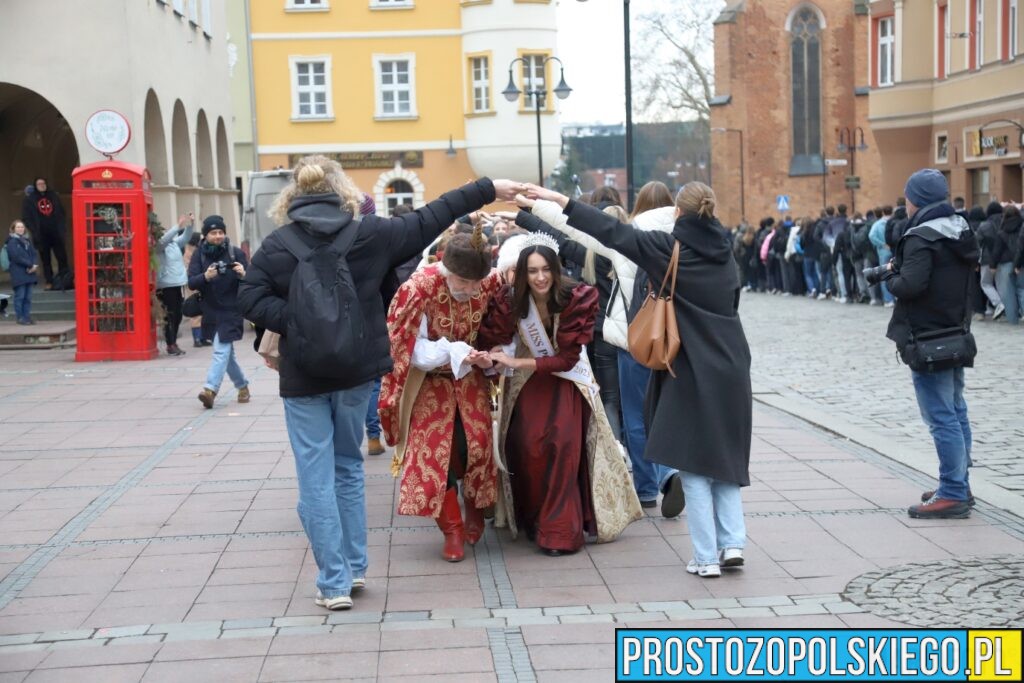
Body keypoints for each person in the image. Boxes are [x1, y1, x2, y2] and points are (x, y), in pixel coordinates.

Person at [238, 154, 523, 608]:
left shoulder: (277, 245)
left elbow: (248, 297)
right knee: (348, 469)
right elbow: (433, 216)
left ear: (293, 196)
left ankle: (333, 582)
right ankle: (354, 569)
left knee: (315, 480)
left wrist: (296, 321)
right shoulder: (370, 235)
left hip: (305, 377)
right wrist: (490, 188)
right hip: (355, 373)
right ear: (342, 190)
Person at [521, 181, 752, 578]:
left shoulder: (669, 249)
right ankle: (732, 543)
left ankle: (705, 557)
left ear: (678, 214)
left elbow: (611, 232)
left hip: (689, 367)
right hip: (732, 365)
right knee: (725, 460)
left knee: (693, 464)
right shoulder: (726, 254)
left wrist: (561, 201)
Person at [516, 181, 682, 514]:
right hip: (678, 341)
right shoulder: (685, 239)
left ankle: (648, 486)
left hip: (634, 339)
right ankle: (672, 471)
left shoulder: (631, 240)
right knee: (669, 411)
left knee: (635, 415)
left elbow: (574, 232)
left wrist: (530, 208)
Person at [477, 234, 641, 555]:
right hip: (526, 386)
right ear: (522, 273)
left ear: (556, 269)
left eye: (545, 270)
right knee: (527, 449)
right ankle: (536, 519)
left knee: (562, 449)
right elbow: (494, 338)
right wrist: (493, 353)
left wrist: (515, 360)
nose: (540, 277)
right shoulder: (510, 299)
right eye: (532, 271)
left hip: (566, 383)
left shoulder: (574, 297)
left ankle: (560, 531)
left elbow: (566, 360)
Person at [378, 226, 503, 563]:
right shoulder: (418, 289)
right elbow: (409, 349)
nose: (471, 290)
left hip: (472, 378)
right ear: (447, 270)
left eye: (477, 283)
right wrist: (456, 351)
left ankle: (476, 510)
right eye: (464, 282)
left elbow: (498, 325)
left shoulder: (490, 283)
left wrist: (490, 354)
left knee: (476, 446)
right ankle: (452, 528)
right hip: (429, 382)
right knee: (435, 455)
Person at [879, 169, 979, 519]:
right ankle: (959, 482)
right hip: (955, 330)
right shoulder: (961, 229)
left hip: (929, 336)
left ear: (916, 199)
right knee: (956, 410)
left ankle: (952, 492)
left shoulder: (920, 236)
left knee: (942, 417)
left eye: (908, 196)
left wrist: (891, 274)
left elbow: (912, 286)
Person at [188, 215, 251, 408]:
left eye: (221, 232)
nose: (218, 236)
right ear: (206, 235)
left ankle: (210, 390)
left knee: (220, 350)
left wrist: (244, 274)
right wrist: (205, 276)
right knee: (226, 354)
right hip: (210, 310)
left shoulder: (236, 253)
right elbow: (191, 283)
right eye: (213, 233)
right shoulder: (199, 255)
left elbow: (252, 281)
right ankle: (242, 386)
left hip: (231, 310)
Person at [154, 212, 195, 356]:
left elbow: (186, 237)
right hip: (166, 285)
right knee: (169, 316)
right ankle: (170, 344)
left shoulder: (174, 244)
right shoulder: (159, 246)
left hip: (178, 283)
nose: (166, 233)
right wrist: (178, 225)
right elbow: (164, 239)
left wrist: (190, 225)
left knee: (177, 315)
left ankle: (173, 342)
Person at [21, 177, 69, 289]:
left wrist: (62, 227)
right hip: (41, 234)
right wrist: (34, 229)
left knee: (62, 257)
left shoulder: (53, 196)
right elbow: (26, 217)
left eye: (43, 183)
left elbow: (62, 212)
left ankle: (65, 280)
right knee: (45, 260)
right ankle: (49, 281)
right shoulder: (30, 199)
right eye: (39, 184)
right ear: (35, 186)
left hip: (56, 232)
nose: (42, 185)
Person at [6, 220, 40, 325]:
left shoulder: (27, 241)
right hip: (19, 273)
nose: (20, 229)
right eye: (18, 227)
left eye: (22, 227)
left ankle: (26, 317)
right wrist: (30, 265)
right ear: (13, 229)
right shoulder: (11, 242)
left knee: (28, 297)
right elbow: (16, 257)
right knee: (20, 296)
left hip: (30, 273)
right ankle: (20, 317)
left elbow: (34, 253)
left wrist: (34, 265)